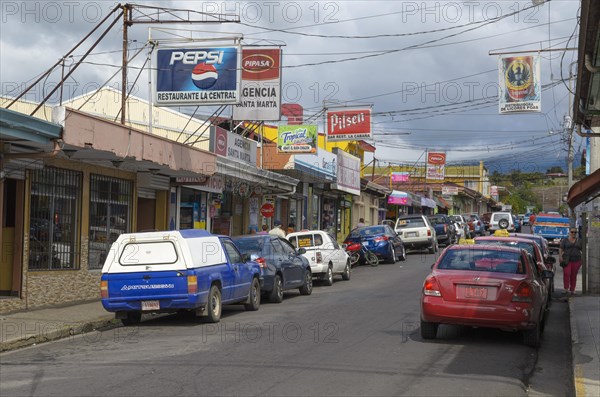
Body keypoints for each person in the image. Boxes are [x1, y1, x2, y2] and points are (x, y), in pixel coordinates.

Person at [559, 227, 583, 296]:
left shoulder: (579, 241)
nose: (573, 233)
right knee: (567, 273)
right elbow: (561, 248)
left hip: (577, 260)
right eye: (572, 232)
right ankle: (566, 288)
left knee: (573, 275)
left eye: (575, 232)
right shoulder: (565, 240)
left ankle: (572, 290)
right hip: (567, 260)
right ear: (569, 232)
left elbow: (583, 250)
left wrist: (582, 260)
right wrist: (560, 257)